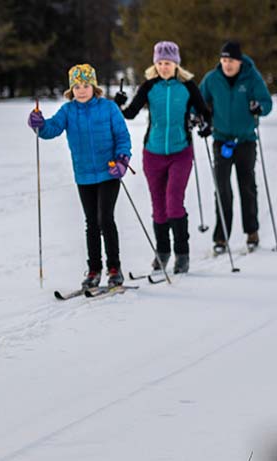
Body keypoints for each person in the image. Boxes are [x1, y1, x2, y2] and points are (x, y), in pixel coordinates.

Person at [29, 64, 134, 290]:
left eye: (86, 85)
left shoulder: (109, 108)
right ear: (71, 89)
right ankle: (94, 269)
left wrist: (123, 159)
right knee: (91, 223)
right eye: (76, 86)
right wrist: (39, 124)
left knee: (105, 219)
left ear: (93, 86)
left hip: (109, 172)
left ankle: (114, 268)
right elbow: (50, 130)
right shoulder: (68, 111)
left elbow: (122, 137)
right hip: (84, 175)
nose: (81, 90)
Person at [115, 41, 212, 274]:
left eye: (167, 63)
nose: (163, 67)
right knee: (158, 206)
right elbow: (130, 113)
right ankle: (162, 252)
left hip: (181, 151)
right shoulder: (149, 86)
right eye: (159, 63)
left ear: (176, 63)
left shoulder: (187, 86)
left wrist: (205, 125)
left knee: (173, 202)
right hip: (153, 153)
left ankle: (182, 254)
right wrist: (118, 104)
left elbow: (205, 112)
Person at [199, 41, 274, 253]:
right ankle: (221, 238)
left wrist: (259, 107)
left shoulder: (251, 77)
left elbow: (266, 102)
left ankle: (252, 231)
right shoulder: (212, 79)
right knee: (222, 189)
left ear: (239, 61)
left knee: (247, 187)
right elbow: (199, 102)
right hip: (221, 139)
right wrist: (199, 118)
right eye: (223, 60)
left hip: (246, 140)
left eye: (231, 61)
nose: (227, 65)